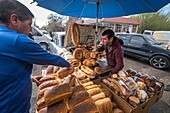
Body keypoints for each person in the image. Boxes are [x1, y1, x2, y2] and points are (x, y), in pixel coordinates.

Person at [0, 0, 73, 112]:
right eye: (29, 24)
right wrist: (69, 65)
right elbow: (50, 58)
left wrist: (27, 78)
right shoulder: (17, 40)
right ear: (14, 20)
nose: (30, 30)